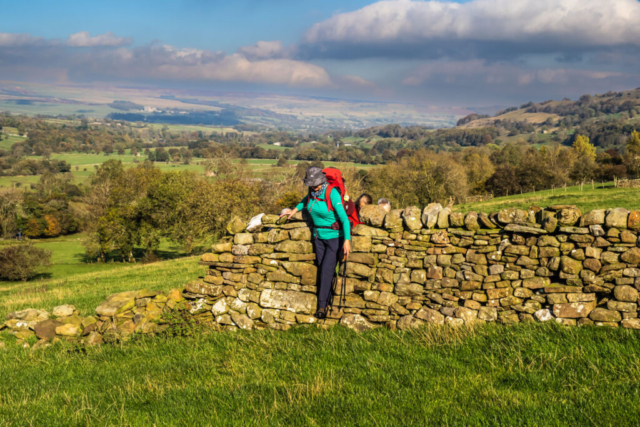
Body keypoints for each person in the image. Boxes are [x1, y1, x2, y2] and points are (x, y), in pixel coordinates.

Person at [280, 167, 351, 319]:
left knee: (326, 270)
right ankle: (329, 297)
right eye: (310, 184)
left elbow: (344, 218)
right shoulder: (312, 191)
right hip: (318, 236)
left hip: (334, 238)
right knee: (323, 268)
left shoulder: (332, 193)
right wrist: (295, 209)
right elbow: (306, 201)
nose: (313, 186)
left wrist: (347, 240)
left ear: (321, 181)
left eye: (315, 184)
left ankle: (322, 307)